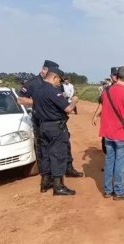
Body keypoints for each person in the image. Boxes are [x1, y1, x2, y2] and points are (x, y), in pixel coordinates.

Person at [18, 60, 83, 183]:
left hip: (59, 120)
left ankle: (68, 168)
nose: (58, 80)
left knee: (64, 146)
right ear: (45, 70)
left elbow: (61, 97)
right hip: (41, 120)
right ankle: (48, 177)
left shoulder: (57, 83)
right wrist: (42, 102)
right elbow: (21, 100)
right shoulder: (32, 83)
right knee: (44, 149)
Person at [33, 66, 78, 196]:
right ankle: (58, 186)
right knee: (58, 154)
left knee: (45, 154)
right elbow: (68, 109)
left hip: (42, 126)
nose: (60, 82)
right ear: (54, 77)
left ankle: (45, 182)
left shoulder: (37, 89)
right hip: (55, 127)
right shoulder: (53, 91)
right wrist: (74, 101)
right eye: (59, 80)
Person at [100, 66, 124, 200]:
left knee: (109, 161)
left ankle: (108, 190)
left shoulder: (106, 91)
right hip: (121, 134)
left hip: (107, 133)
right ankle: (119, 191)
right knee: (120, 163)